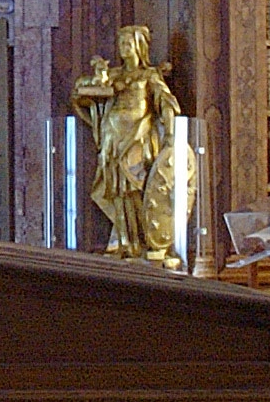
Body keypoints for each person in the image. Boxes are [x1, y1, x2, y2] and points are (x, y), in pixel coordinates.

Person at [69, 26, 188, 263]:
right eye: (121, 43)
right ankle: (125, 241)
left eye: (128, 44)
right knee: (117, 189)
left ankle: (144, 240)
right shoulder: (113, 75)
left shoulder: (149, 76)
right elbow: (82, 92)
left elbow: (165, 103)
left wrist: (170, 134)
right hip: (112, 138)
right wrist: (98, 75)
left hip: (137, 136)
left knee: (137, 187)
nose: (123, 48)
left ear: (139, 47)